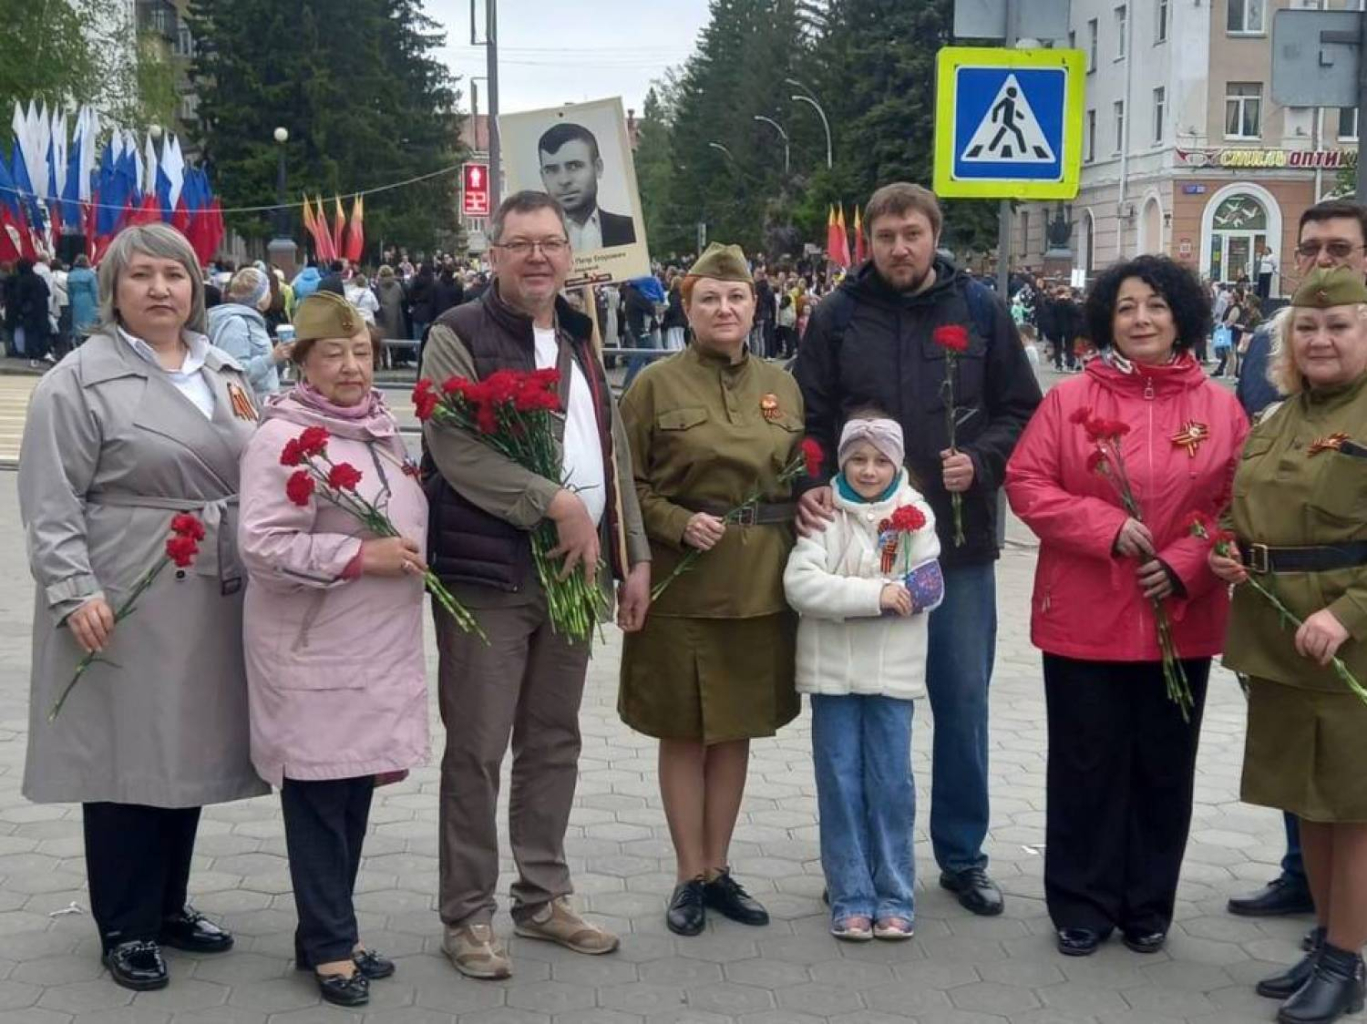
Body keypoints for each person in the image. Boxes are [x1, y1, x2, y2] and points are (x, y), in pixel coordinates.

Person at [17, 223, 267, 991]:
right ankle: (125, 925)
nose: (160, 289)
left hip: (211, 584)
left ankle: (167, 904)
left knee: (185, 750)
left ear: (196, 287)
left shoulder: (222, 368)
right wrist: (73, 589)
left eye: (175, 274)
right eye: (141, 275)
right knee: (126, 756)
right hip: (126, 586)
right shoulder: (78, 380)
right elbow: (49, 499)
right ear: (112, 290)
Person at [421, 191, 651, 980]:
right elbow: (454, 447)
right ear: (493, 255)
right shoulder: (458, 333)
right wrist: (553, 503)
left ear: (569, 254)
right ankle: (467, 915)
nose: (537, 257)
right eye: (520, 244)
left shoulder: (580, 335)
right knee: (478, 747)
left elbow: (611, 451)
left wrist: (632, 553)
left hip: (574, 573)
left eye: (550, 242)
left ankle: (543, 897)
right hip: (490, 574)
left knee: (553, 741)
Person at [795, 182, 1040, 919]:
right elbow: (808, 417)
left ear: (935, 235)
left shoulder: (980, 310)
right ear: (868, 242)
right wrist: (811, 482)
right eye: (885, 236)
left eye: (912, 234)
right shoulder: (836, 316)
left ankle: (961, 857)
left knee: (961, 704)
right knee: (860, 709)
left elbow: (1021, 409)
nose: (899, 248)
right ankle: (860, 865)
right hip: (857, 550)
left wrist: (984, 461)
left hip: (954, 548)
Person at [1005, 255, 1248, 958]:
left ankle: (1147, 903)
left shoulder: (1219, 408)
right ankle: (1081, 902)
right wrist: (1104, 527)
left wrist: (1185, 564)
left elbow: (1239, 503)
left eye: (1156, 306)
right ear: (1106, 319)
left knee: (1163, 766)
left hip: (1181, 615)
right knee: (1084, 764)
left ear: (1181, 317)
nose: (1141, 319)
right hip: (1084, 616)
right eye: (1126, 308)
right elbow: (1027, 482)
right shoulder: (1069, 400)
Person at [238, 292, 427, 1008]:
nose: (351, 366)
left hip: (374, 647)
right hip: (314, 647)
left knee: (349, 794)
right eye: (333, 354)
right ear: (303, 362)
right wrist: (358, 556)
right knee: (319, 796)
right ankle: (329, 947)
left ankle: (325, 934)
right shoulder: (283, 438)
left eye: (361, 352)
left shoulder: (378, 427)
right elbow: (263, 546)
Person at [617, 243, 801, 938]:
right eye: (709, 299)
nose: (724, 309)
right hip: (681, 584)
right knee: (683, 729)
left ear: (755, 305)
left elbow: (797, 477)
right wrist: (672, 521)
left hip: (759, 585)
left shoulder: (782, 385)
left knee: (734, 730)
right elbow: (626, 484)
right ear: (687, 309)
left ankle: (719, 868)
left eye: (736, 297)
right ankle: (688, 874)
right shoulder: (653, 386)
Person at [1211, 266, 1367, 1024]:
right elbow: (1245, 514)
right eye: (1306, 327)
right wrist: (1227, 550)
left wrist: (1349, 613)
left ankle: (1346, 962)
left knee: (1353, 810)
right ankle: (1326, 942)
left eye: (1338, 326)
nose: (1319, 339)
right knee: (1308, 802)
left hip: (1346, 645)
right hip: (1277, 638)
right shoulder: (1276, 418)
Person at [784, 414, 940, 942]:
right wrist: (875, 595)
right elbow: (802, 584)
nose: (868, 471)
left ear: (897, 464)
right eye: (857, 459)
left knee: (891, 784)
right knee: (840, 782)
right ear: (841, 461)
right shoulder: (824, 513)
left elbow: (927, 584)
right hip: (832, 675)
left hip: (892, 674)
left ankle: (895, 894)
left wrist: (876, 592)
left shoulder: (915, 513)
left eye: (880, 461)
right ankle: (850, 894)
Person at [536, 122, 637, 249]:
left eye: (574, 166)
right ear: (543, 177)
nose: (564, 180)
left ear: (598, 168)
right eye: (551, 170)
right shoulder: (534, 241)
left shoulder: (631, 230)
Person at [207, 267, 291, 396]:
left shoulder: (252, 321)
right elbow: (235, 373)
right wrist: (273, 357)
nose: (271, 294)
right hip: (251, 404)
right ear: (260, 299)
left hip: (262, 401)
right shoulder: (235, 324)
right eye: (267, 291)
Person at [8, 257, 51, 366]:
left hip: (28, 311)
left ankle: (33, 356)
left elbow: (19, 298)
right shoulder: (39, 278)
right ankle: (43, 353)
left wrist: (19, 310)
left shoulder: (22, 280)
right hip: (42, 310)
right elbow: (47, 293)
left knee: (30, 334)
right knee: (42, 333)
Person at [67, 254, 99, 342]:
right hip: (88, 300)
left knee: (77, 323)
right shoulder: (90, 275)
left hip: (76, 300)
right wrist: (98, 305)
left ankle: (78, 339)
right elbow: (95, 291)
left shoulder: (71, 275)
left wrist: (71, 304)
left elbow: (69, 293)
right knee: (89, 323)